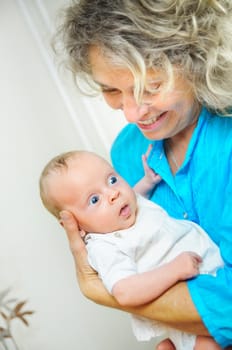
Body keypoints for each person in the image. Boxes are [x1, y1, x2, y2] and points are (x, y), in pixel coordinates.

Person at [53, 0, 232, 348]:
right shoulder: (125, 153)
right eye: (111, 90)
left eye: (149, 86)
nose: (133, 113)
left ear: (196, 60)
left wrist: (101, 291)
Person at [39, 150, 223, 350]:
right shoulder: (104, 247)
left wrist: (147, 182)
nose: (113, 194)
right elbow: (125, 292)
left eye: (111, 180)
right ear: (74, 225)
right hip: (187, 310)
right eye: (94, 200)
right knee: (210, 344)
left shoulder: (122, 208)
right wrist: (175, 269)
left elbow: (134, 195)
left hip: (212, 280)